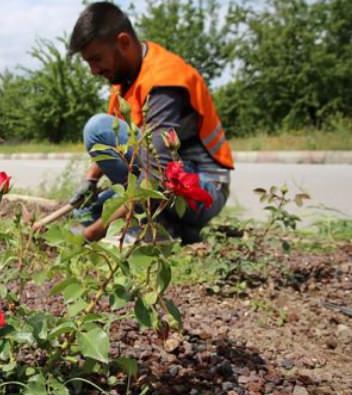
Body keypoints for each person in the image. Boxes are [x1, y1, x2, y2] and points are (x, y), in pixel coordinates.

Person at [67, 2, 233, 244]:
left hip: (203, 188)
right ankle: (173, 228)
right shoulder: (124, 81)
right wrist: (90, 180)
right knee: (88, 210)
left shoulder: (163, 80)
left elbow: (156, 175)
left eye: (96, 59)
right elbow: (121, 147)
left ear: (123, 42)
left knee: (97, 129)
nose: (93, 70)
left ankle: (148, 225)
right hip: (171, 186)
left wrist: (91, 234)